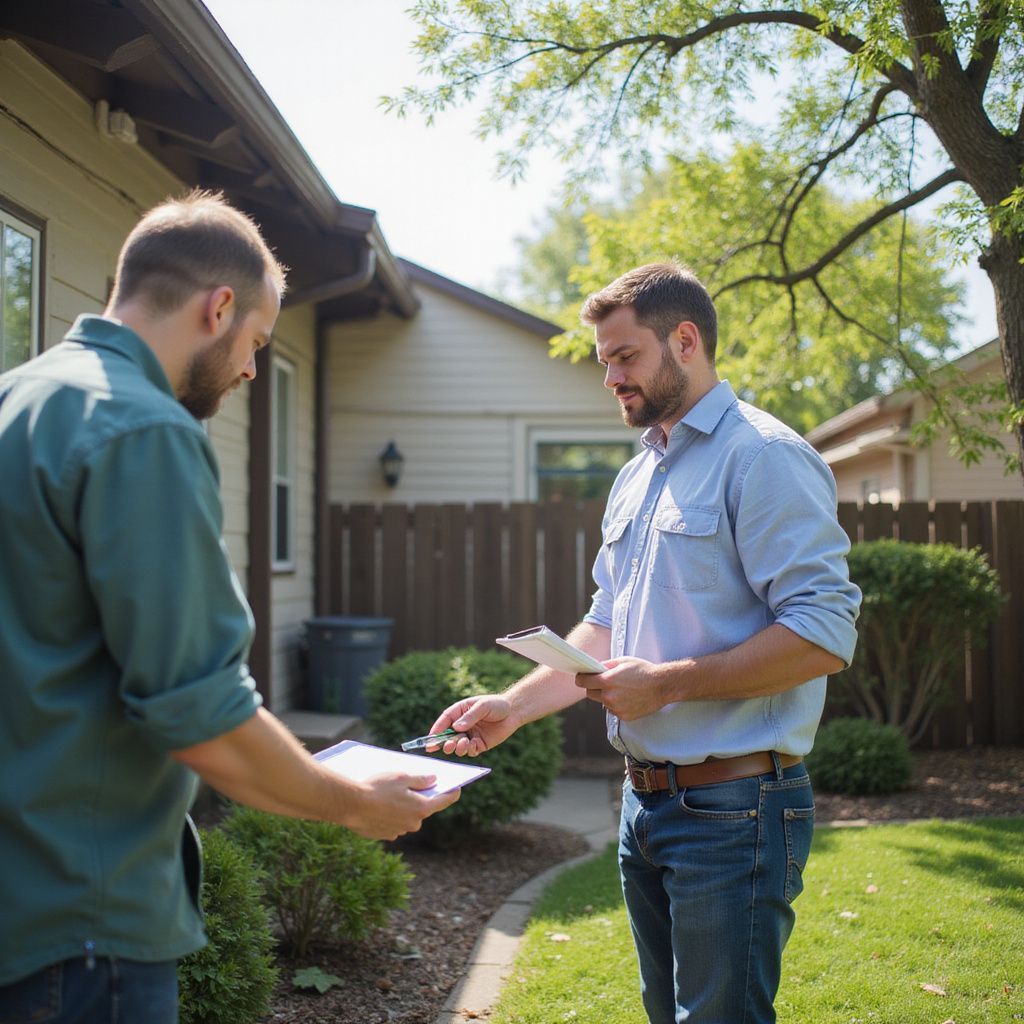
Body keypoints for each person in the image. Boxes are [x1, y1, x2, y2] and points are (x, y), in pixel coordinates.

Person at [0, 191, 458, 1023]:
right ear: (218, 309)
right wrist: (355, 802)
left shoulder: (16, 404)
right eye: (255, 342)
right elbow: (200, 716)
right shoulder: (144, 430)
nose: (252, 370)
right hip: (85, 927)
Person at [428, 262, 861, 1023]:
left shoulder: (763, 457)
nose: (611, 379)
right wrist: (513, 706)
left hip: (735, 807)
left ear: (684, 340)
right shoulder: (639, 473)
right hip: (645, 804)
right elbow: (605, 623)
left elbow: (822, 634)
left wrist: (666, 684)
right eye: (605, 363)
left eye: (624, 357)